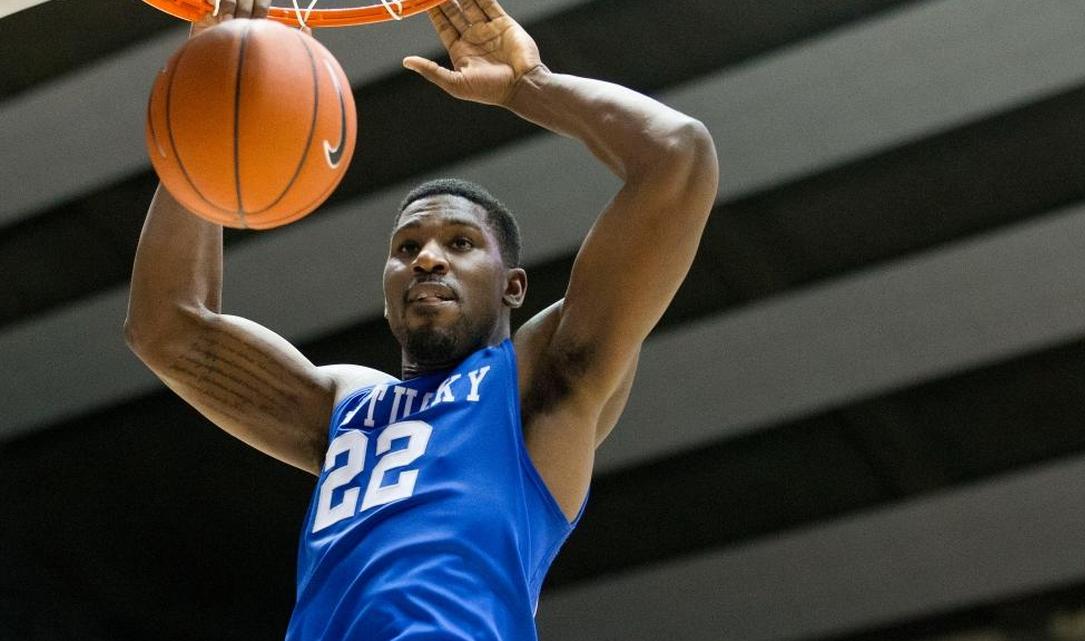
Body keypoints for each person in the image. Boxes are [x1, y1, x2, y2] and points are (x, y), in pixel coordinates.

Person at [124, 0, 719, 638]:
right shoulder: (346, 406)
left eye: (460, 244)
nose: (427, 259)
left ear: (513, 286)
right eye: (406, 249)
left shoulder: (539, 382)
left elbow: (678, 158)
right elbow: (167, 327)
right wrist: (212, 107)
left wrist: (530, 87)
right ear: (386, 291)